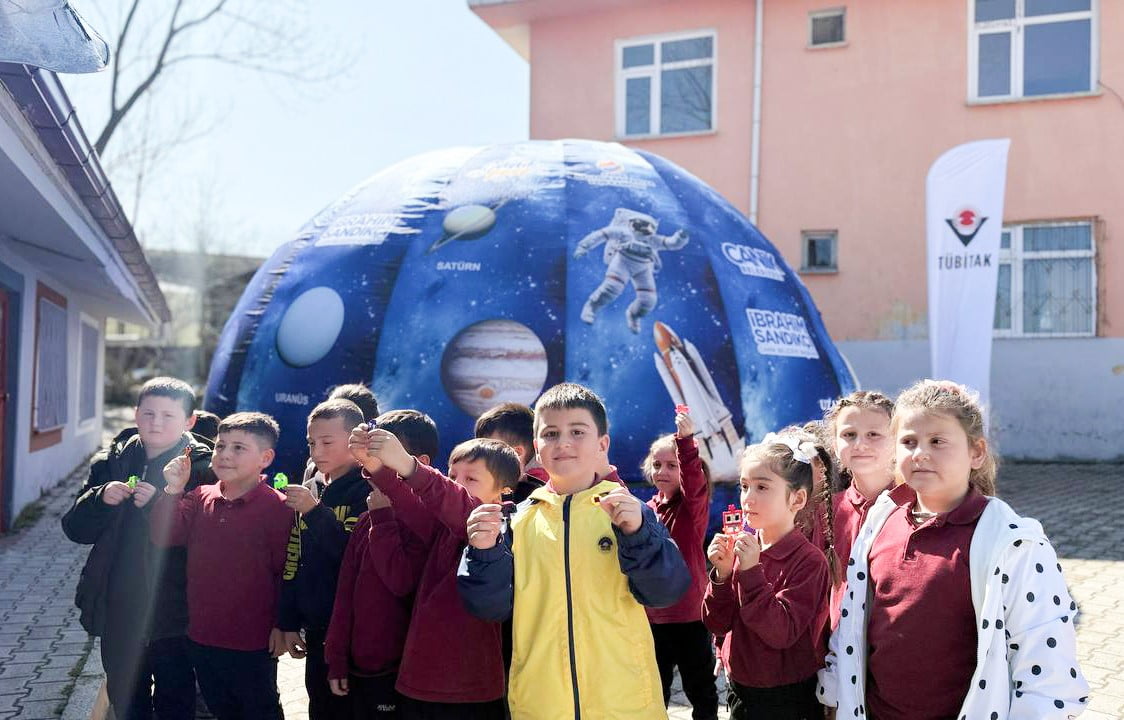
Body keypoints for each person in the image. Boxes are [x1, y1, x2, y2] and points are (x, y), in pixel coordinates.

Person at [818, 380, 1090, 720]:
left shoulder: (1013, 543)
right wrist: (835, 690)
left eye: (937, 441)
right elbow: (853, 620)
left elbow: (1047, 672)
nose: (920, 453)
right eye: (908, 441)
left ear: (976, 452)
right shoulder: (881, 520)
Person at [458, 382, 691, 720]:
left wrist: (638, 534)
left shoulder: (630, 512)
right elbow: (488, 607)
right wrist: (483, 553)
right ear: (536, 447)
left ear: (602, 444)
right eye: (550, 433)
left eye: (577, 431)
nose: (563, 442)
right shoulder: (517, 522)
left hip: (625, 704)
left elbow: (666, 592)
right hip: (540, 706)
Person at [61, 377, 213, 720]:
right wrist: (99, 499)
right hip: (119, 606)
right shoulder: (109, 461)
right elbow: (74, 529)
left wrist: (159, 506)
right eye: (148, 413)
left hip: (177, 611)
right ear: (135, 414)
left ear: (189, 421)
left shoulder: (204, 469)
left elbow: (208, 539)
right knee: (127, 701)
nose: (155, 423)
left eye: (168, 416)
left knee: (177, 701)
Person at [350, 422, 520, 720]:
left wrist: (406, 464)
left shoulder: (501, 526)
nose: (458, 483)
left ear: (504, 491)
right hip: (418, 682)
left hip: (469, 691)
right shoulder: (441, 526)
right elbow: (408, 501)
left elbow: (456, 504)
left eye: (471, 478)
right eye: (453, 476)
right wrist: (375, 465)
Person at [144, 412, 293, 720]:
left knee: (259, 709)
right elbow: (163, 535)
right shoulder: (200, 496)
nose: (225, 454)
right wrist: (173, 489)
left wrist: (283, 624)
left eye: (238, 448)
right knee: (219, 708)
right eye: (220, 446)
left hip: (253, 642)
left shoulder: (278, 508)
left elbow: (286, 573)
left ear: (265, 457)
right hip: (201, 635)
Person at [703, 434, 836, 720]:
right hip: (740, 688)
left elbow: (781, 632)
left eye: (762, 487)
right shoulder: (743, 547)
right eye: (744, 486)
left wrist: (750, 573)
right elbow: (717, 622)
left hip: (784, 698)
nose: (748, 498)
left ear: (797, 498)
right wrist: (722, 577)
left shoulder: (809, 561)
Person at [323, 417, 433, 719]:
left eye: (381, 457)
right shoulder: (366, 518)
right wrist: (336, 658)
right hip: (360, 668)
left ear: (418, 463)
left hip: (401, 672)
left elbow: (401, 582)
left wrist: (383, 520)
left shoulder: (424, 522)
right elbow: (345, 593)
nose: (371, 467)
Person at [276, 399, 372, 720]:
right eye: (311, 442)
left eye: (327, 442)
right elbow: (294, 557)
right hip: (316, 630)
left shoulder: (368, 490)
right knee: (319, 707)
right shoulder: (311, 485)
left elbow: (352, 556)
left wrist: (315, 513)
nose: (317, 450)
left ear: (355, 439)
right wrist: (288, 621)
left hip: (354, 633)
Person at [643, 409, 719, 719]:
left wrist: (685, 443)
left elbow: (693, 478)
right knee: (653, 689)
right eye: (657, 464)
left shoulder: (692, 509)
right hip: (652, 617)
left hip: (689, 617)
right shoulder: (646, 509)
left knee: (699, 687)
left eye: (671, 466)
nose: (662, 471)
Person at [822, 390, 895, 627]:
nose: (860, 444)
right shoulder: (826, 511)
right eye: (849, 434)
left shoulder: (916, 508)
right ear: (834, 444)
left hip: (893, 639)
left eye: (873, 434)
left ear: (897, 439)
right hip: (838, 642)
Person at [573, 208, 689, 332]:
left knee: (648, 300)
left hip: (643, 268)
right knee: (611, 288)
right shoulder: (624, 233)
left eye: (647, 227)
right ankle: (591, 307)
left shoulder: (653, 240)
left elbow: (672, 243)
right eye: (639, 225)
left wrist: (681, 236)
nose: (643, 229)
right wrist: (583, 246)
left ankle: (634, 315)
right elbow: (601, 234)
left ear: (653, 229)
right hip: (622, 263)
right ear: (631, 224)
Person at [474, 402, 547, 503]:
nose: (481, 456)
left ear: (516, 453)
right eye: (479, 449)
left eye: (490, 450)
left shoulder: (540, 492)